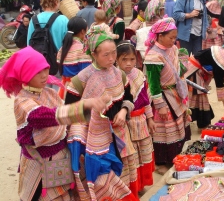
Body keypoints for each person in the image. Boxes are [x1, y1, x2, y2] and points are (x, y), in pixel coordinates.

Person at [0, 46, 109, 200]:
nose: (44, 75)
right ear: (25, 74)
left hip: (61, 157)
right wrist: (83, 105)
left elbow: (65, 118)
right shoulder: (22, 100)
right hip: (39, 163)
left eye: (45, 69)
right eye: (37, 72)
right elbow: (41, 116)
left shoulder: (50, 92)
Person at [64, 29, 139, 200]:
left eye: (114, 53)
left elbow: (128, 98)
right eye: (106, 55)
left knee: (121, 178)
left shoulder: (119, 74)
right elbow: (70, 110)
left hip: (119, 135)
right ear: (93, 54)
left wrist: (123, 110)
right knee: (101, 182)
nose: (112, 58)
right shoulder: (81, 79)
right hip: (93, 142)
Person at [143, 17, 191, 168]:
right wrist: (160, 105)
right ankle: (164, 160)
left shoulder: (173, 49)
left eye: (175, 37)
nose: (173, 41)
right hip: (163, 96)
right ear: (160, 36)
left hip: (174, 93)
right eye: (171, 38)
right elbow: (153, 84)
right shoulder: (153, 57)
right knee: (165, 129)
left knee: (178, 126)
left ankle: (177, 155)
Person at [116, 41, 156, 192]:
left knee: (143, 153)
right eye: (124, 60)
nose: (128, 63)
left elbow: (146, 99)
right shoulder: (115, 78)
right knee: (131, 157)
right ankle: (134, 186)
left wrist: (150, 118)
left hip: (141, 121)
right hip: (126, 124)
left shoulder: (139, 75)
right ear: (116, 60)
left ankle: (142, 184)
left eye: (132, 59)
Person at [56, 16, 92, 99]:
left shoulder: (62, 49)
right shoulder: (82, 50)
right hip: (77, 90)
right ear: (83, 31)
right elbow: (86, 75)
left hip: (63, 88)